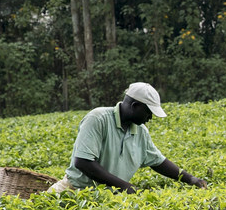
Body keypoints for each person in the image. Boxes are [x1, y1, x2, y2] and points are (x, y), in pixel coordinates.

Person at [48, 82, 208, 194]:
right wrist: (124, 186)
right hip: (74, 191)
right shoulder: (98, 119)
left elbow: (158, 162)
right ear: (134, 106)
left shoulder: (141, 132)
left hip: (110, 197)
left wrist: (191, 179)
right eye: (148, 112)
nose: (150, 117)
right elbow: (83, 162)